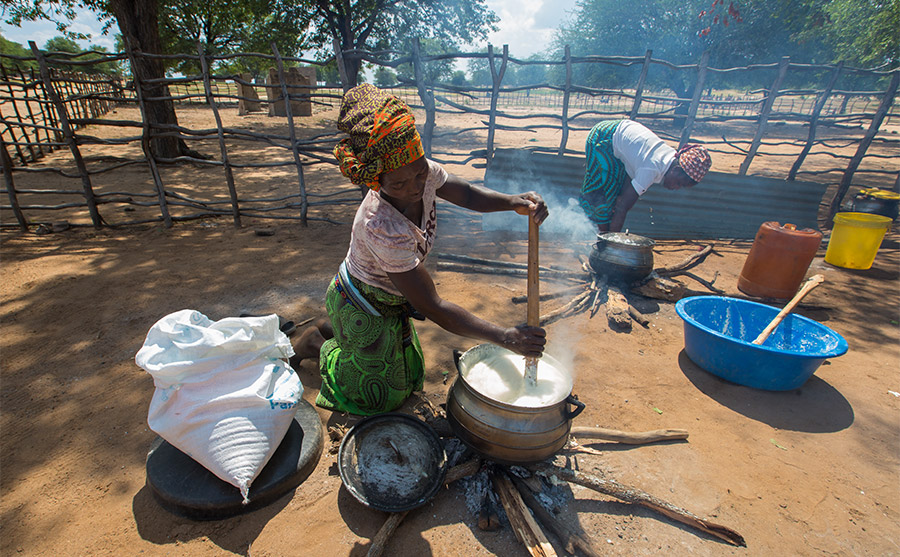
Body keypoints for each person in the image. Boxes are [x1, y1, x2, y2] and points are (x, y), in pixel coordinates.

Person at [292, 84, 548, 416]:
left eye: (418, 174)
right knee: (383, 395)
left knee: (410, 374)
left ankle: (337, 328)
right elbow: (433, 306)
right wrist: (505, 336)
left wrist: (514, 202)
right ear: (376, 181)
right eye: (398, 184)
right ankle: (316, 343)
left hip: (391, 297)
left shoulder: (420, 170)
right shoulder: (380, 225)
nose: (414, 188)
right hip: (361, 297)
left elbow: (468, 195)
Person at [579, 119, 712, 233]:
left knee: (616, 195)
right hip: (603, 137)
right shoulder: (652, 167)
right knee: (601, 194)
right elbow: (622, 208)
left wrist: (621, 203)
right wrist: (614, 243)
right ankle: (604, 243)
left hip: (618, 140)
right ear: (676, 170)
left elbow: (624, 200)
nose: (676, 188)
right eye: (679, 183)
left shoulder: (667, 159)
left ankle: (604, 240)